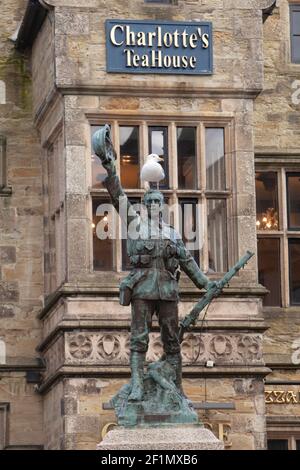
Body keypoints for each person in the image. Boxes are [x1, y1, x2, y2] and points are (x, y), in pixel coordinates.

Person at [96, 135, 215, 402]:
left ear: (161, 205)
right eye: (148, 202)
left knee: (173, 341)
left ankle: (179, 390)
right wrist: (110, 167)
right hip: (142, 289)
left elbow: (187, 262)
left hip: (168, 292)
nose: (152, 205)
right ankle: (137, 386)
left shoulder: (173, 233)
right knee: (139, 340)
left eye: (156, 202)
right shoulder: (135, 224)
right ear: (145, 205)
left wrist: (205, 284)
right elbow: (118, 196)